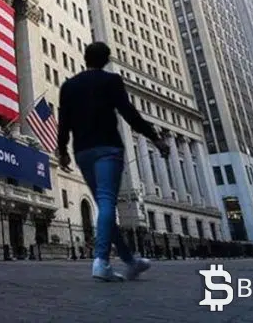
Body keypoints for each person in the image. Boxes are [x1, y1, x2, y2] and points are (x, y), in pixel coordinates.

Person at [58, 42, 170, 282]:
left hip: (82, 152)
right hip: (108, 148)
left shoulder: (68, 85)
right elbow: (129, 113)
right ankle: (101, 261)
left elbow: (63, 121)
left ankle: (131, 262)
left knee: (104, 205)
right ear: (106, 60)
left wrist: (62, 150)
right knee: (108, 202)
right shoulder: (111, 81)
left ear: (85, 58)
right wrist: (155, 138)